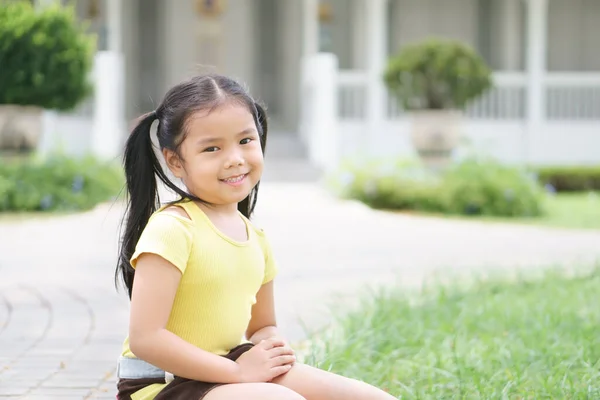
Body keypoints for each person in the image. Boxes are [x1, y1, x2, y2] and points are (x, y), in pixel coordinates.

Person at [114, 74, 396, 400]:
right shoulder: (172, 230)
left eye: (245, 141)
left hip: (229, 369)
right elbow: (146, 339)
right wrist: (238, 372)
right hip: (163, 384)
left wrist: (270, 346)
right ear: (175, 160)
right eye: (212, 147)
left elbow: (262, 326)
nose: (235, 158)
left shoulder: (256, 238)